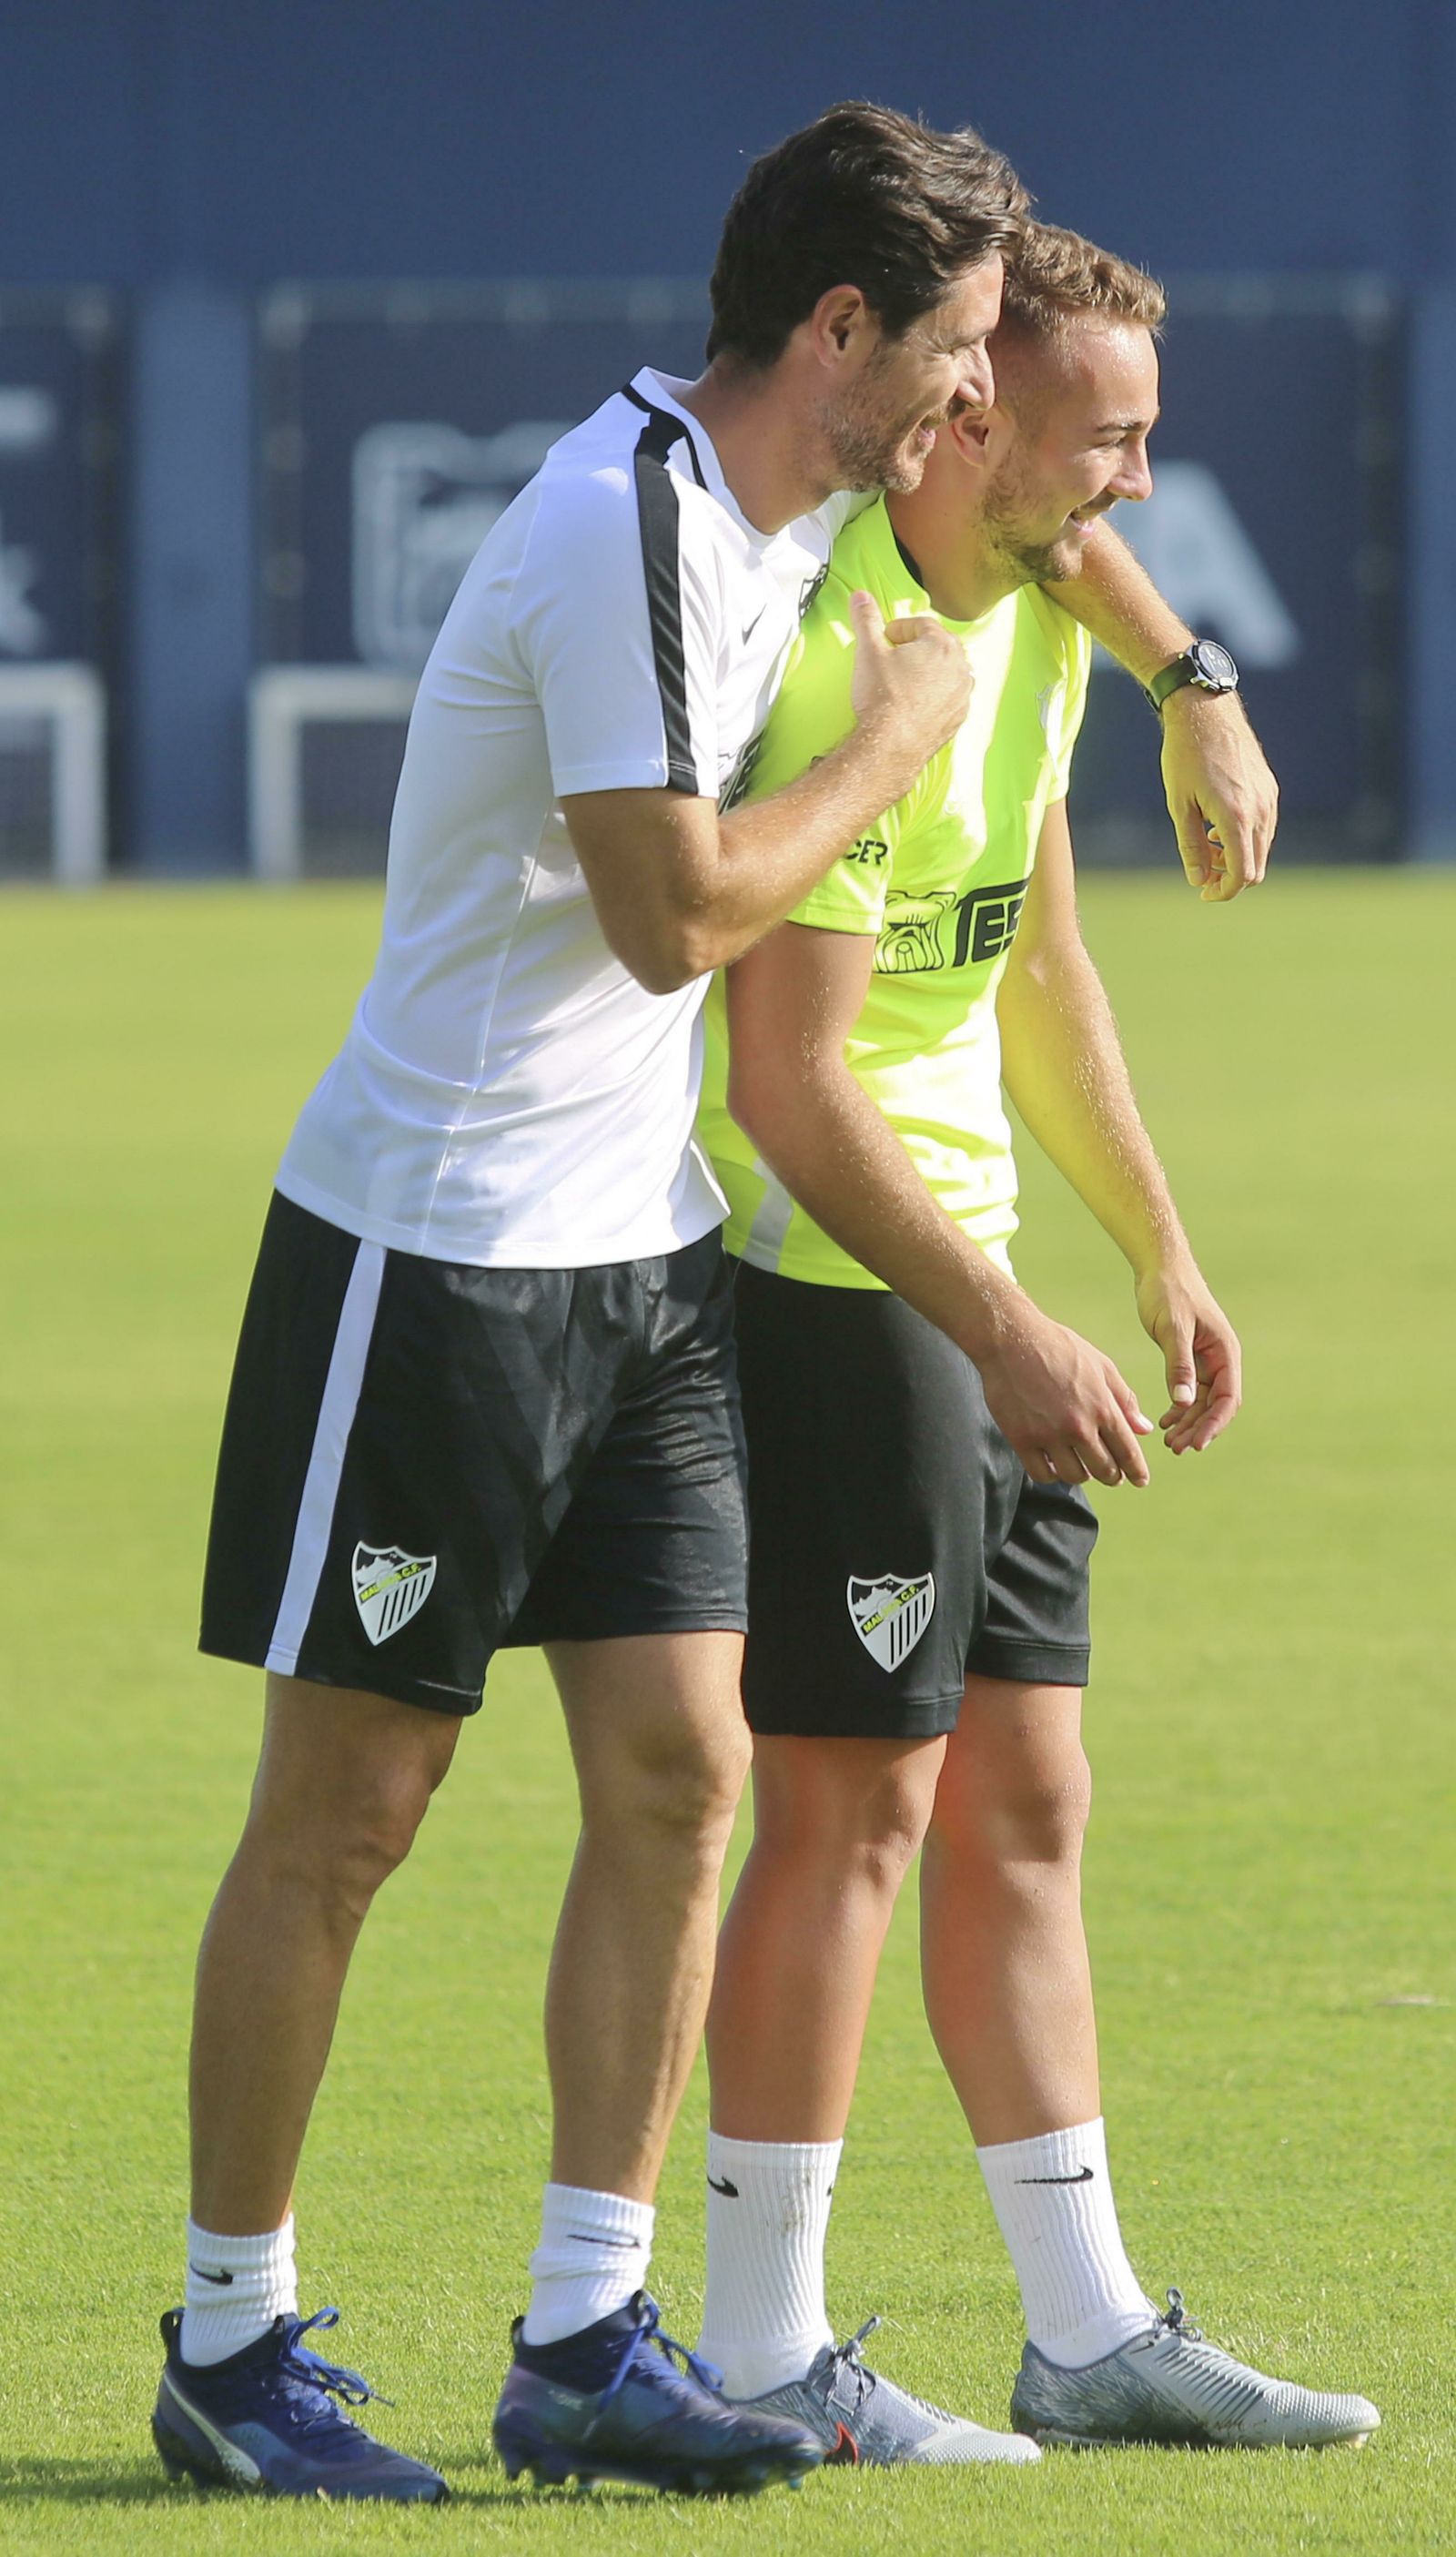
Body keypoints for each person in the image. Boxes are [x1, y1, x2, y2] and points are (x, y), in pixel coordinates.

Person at [152, 100, 1278, 2502]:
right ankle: (228, 2346)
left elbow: (1058, 531)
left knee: (687, 1776)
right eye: (957, 350)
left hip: (643, 1257)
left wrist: (1191, 678)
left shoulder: (819, 503)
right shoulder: (618, 530)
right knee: (353, 1803)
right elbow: (675, 916)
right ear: (839, 334)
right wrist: (882, 755)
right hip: (431, 1246)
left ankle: (589, 2337)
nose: (981, 403)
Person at [693, 220, 1380, 2462]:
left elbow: (1037, 976)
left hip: (985, 1285)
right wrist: (996, 1326)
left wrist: (1157, 1257)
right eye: (1103, 443)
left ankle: (1082, 2330)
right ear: (962, 418)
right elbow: (782, 1090)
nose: (1135, 492)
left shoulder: (1038, 629)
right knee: (847, 1813)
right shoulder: (843, 665)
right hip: (830, 1286)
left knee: (1027, 1803)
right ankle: (760, 2348)